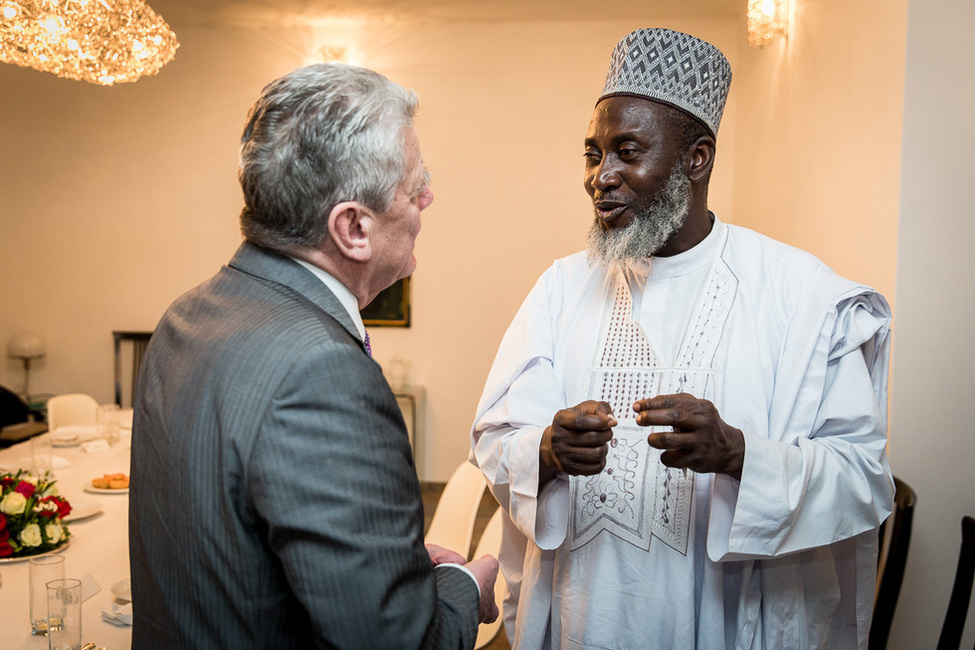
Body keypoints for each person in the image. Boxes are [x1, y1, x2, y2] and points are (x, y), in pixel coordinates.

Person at [471, 28, 893, 649]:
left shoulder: (799, 295)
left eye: (627, 151)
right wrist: (546, 449)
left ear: (696, 159)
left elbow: (862, 476)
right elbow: (495, 439)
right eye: (593, 154)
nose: (601, 177)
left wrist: (737, 453)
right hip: (584, 622)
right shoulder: (560, 288)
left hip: (727, 626)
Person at [129, 63, 499, 649]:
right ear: (354, 227)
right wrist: (460, 586)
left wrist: (379, 560)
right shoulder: (323, 374)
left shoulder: (186, 314)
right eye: (415, 184)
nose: (429, 196)